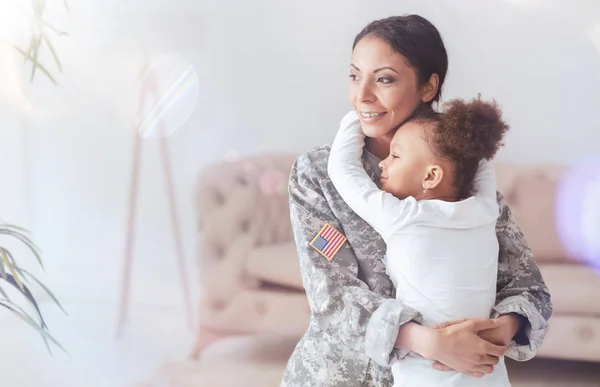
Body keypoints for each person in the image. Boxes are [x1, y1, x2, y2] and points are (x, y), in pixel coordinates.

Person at [281, 14, 552, 387]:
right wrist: (427, 342)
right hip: (342, 376)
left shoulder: (461, 172)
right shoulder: (318, 173)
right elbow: (331, 295)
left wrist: (498, 331)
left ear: (428, 86)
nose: (362, 96)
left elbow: (527, 286)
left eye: (385, 79)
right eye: (355, 75)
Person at [327, 97, 511, 386]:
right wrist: (462, 130)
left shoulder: (403, 217)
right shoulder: (485, 210)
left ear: (431, 176)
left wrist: (359, 116)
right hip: (485, 372)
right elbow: (483, 161)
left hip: (426, 373)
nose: (383, 164)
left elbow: (343, 171)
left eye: (396, 156)